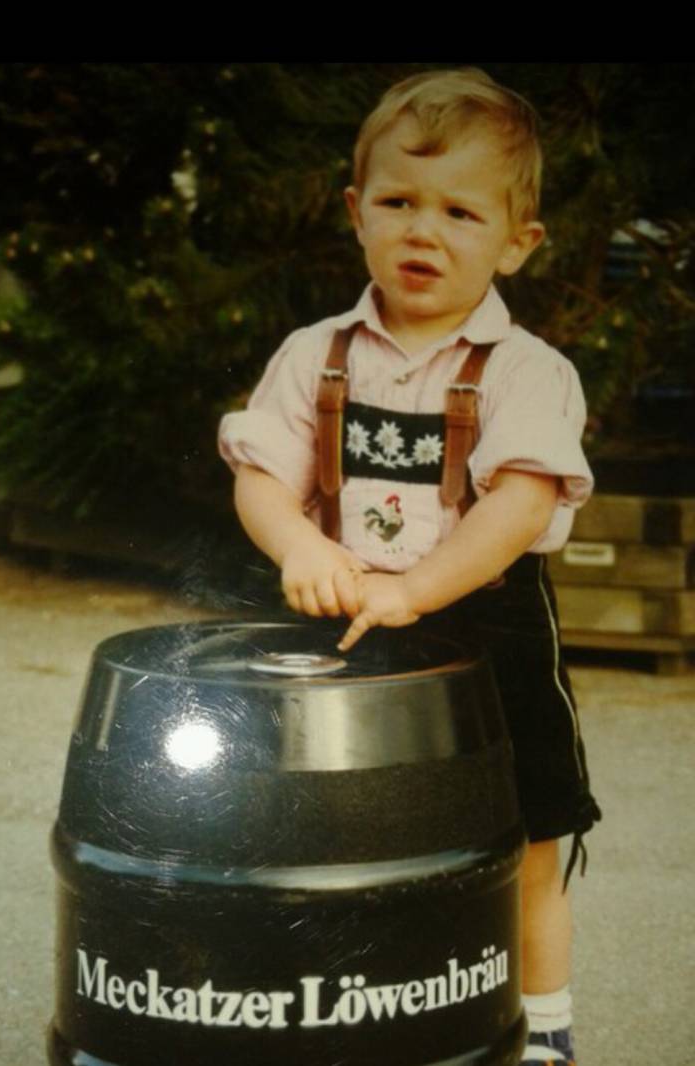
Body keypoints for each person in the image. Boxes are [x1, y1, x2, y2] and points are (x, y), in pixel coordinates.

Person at [218, 70, 600, 1066]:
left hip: (486, 622)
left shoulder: (527, 374)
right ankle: (360, 1003)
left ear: (518, 240)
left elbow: (516, 509)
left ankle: (545, 1023)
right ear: (355, 214)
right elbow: (261, 476)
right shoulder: (315, 355)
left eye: (460, 212)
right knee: (341, 831)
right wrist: (302, 544)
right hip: (338, 618)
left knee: (525, 840)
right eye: (397, 202)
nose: (422, 231)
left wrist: (415, 588)